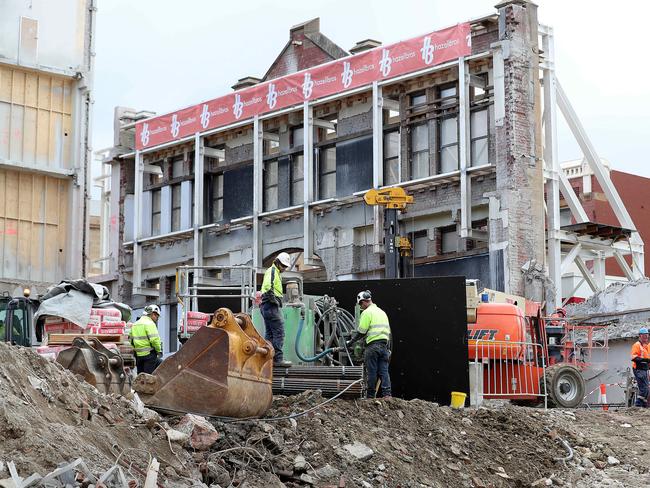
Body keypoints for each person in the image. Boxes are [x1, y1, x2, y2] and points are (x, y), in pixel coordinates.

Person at [347, 290, 392, 399]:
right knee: (384, 371)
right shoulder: (382, 312)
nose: (361, 307)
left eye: (361, 304)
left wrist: (350, 342)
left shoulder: (367, 313)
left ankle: (370, 396)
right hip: (384, 346)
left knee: (371, 371)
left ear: (364, 301)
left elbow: (362, 331)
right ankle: (387, 395)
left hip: (372, 346)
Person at [261, 252, 292, 367]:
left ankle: (268, 357)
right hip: (270, 305)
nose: (284, 268)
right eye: (283, 265)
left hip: (266, 306)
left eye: (285, 266)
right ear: (277, 262)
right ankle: (278, 359)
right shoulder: (273, 271)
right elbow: (269, 288)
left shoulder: (276, 272)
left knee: (270, 334)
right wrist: (275, 300)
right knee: (279, 333)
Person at [129, 304, 163, 374]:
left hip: (138, 356)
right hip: (149, 355)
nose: (157, 319)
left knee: (140, 376)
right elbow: (154, 340)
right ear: (153, 314)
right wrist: (159, 351)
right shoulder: (150, 324)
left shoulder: (135, 324)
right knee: (149, 377)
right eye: (157, 316)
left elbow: (131, 341)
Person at [631, 327, 650, 407]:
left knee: (646, 389)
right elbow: (634, 357)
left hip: (644, 369)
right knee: (644, 388)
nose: (646, 337)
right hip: (638, 369)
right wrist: (646, 360)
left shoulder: (645, 346)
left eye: (647, 335)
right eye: (644, 335)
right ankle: (638, 405)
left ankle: (644, 404)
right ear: (640, 336)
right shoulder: (637, 345)